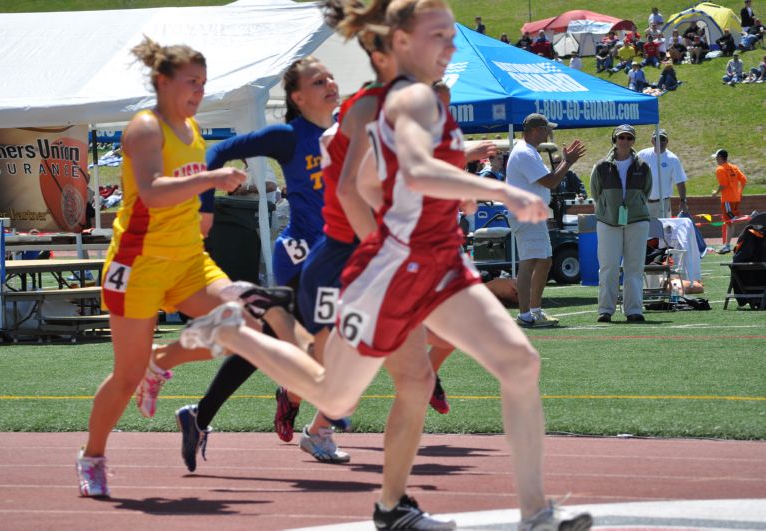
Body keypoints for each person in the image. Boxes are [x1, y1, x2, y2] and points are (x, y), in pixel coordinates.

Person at [178, 1, 594, 529]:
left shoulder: (393, 103)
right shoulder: (402, 100)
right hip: (391, 269)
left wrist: (444, 197)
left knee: (511, 364)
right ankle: (246, 333)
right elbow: (411, 172)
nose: (451, 45)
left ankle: (523, 512)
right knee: (335, 393)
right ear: (399, 44)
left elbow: (362, 183)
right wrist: (491, 190)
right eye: (440, 35)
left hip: (439, 262)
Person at [75, 36, 251, 497]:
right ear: (162, 81)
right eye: (191, 82)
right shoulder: (146, 128)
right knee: (124, 375)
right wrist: (213, 178)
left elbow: (183, 195)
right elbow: (151, 192)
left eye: (204, 84)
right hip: (139, 263)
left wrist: (204, 203)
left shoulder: (191, 129)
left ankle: (160, 363)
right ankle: (92, 455)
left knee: (242, 322)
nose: (198, 92)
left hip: (189, 259)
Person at [169, 56, 351, 467]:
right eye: (317, 80)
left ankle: (202, 416)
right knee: (330, 341)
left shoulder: (347, 133)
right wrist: (206, 207)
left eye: (330, 76)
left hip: (335, 256)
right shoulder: (288, 137)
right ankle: (316, 421)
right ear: (298, 97)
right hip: (301, 254)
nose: (329, 83)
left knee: (265, 345)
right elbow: (218, 152)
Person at [505, 113, 587, 328]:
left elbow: (546, 182)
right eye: (545, 128)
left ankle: (533, 311)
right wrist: (568, 162)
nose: (549, 132)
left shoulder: (528, 152)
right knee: (531, 262)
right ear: (535, 130)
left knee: (543, 261)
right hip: (527, 213)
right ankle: (526, 315)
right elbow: (550, 181)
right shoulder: (525, 153)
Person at [590, 125, 652, 323]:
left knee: (634, 267)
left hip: (637, 220)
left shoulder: (643, 166)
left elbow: (647, 191)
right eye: (621, 137)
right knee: (609, 267)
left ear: (633, 141)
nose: (624, 141)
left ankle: (634, 310)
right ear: (614, 140)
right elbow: (595, 192)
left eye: (628, 138)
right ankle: (605, 310)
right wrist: (608, 208)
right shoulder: (601, 166)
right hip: (608, 221)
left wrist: (635, 206)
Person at [637, 130, 688, 219]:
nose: (660, 142)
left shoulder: (673, 159)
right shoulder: (642, 155)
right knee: (643, 232)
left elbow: (680, 182)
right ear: (652, 141)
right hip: (643, 203)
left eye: (663, 139)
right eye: (657, 139)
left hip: (662, 204)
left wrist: (683, 201)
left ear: (667, 141)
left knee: (662, 232)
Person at [711, 149, 748, 253]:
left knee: (729, 222)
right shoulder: (734, 167)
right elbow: (744, 179)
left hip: (727, 199)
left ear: (720, 158)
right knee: (731, 221)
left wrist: (715, 193)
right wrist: (739, 192)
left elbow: (723, 185)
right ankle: (727, 244)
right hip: (736, 198)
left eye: (716, 158)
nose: (716, 160)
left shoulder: (720, 169)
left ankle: (727, 246)